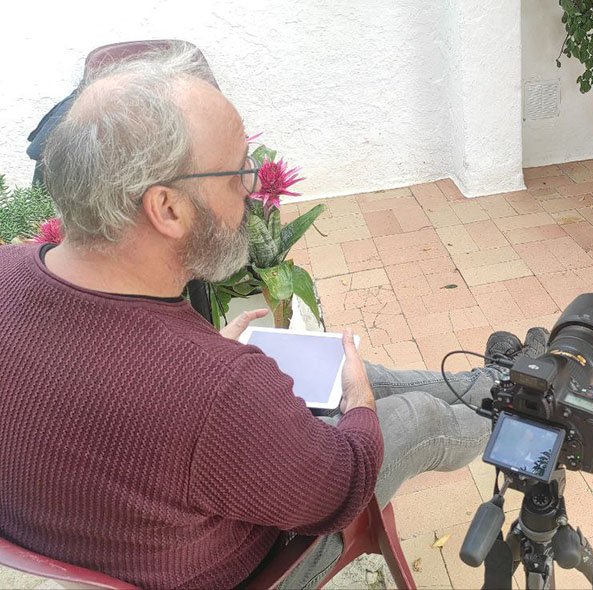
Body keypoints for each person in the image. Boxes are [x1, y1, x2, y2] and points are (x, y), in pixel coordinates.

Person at [0, 46, 543, 590]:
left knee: (341, 369)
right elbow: (340, 488)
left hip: (102, 528)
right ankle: (521, 412)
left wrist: (212, 359)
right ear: (167, 208)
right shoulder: (215, 389)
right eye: (238, 173)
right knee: (414, 416)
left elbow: (126, 388)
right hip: (252, 564)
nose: (254, 189)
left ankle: (496, 382)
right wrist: (358, 406)